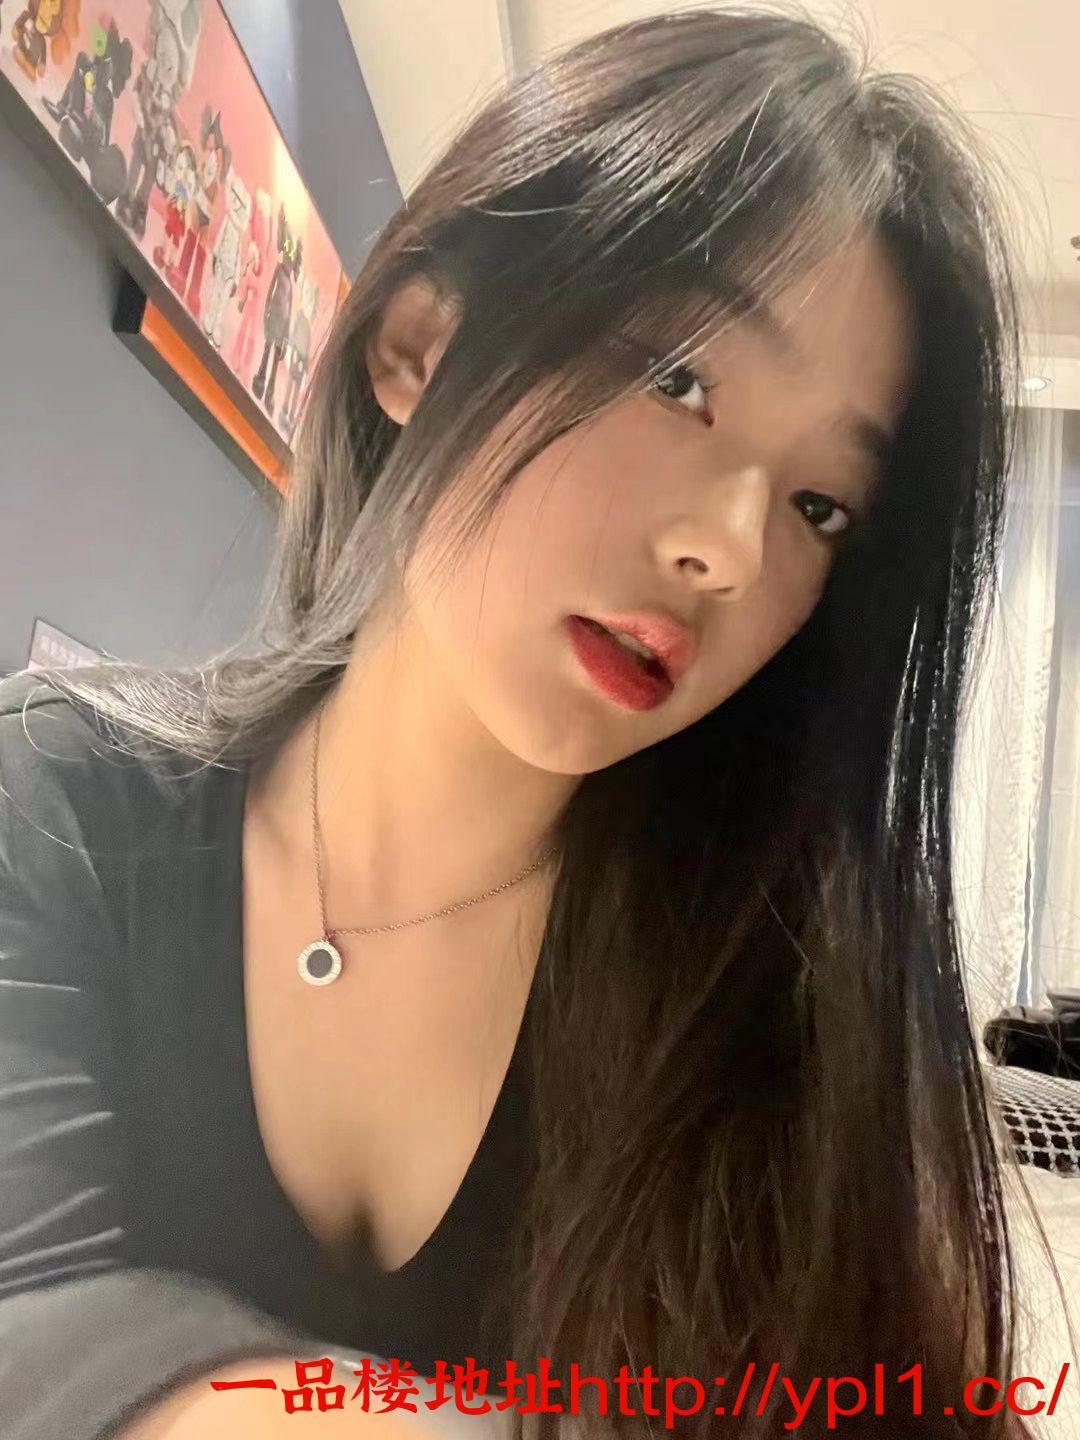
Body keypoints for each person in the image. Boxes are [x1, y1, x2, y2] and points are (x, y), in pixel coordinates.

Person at [0, 8, 1048, 1439]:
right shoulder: (55, 801)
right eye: (678, 381)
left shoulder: (784, 1000)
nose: (730, 550)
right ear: (420, 343)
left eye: (821, 505)